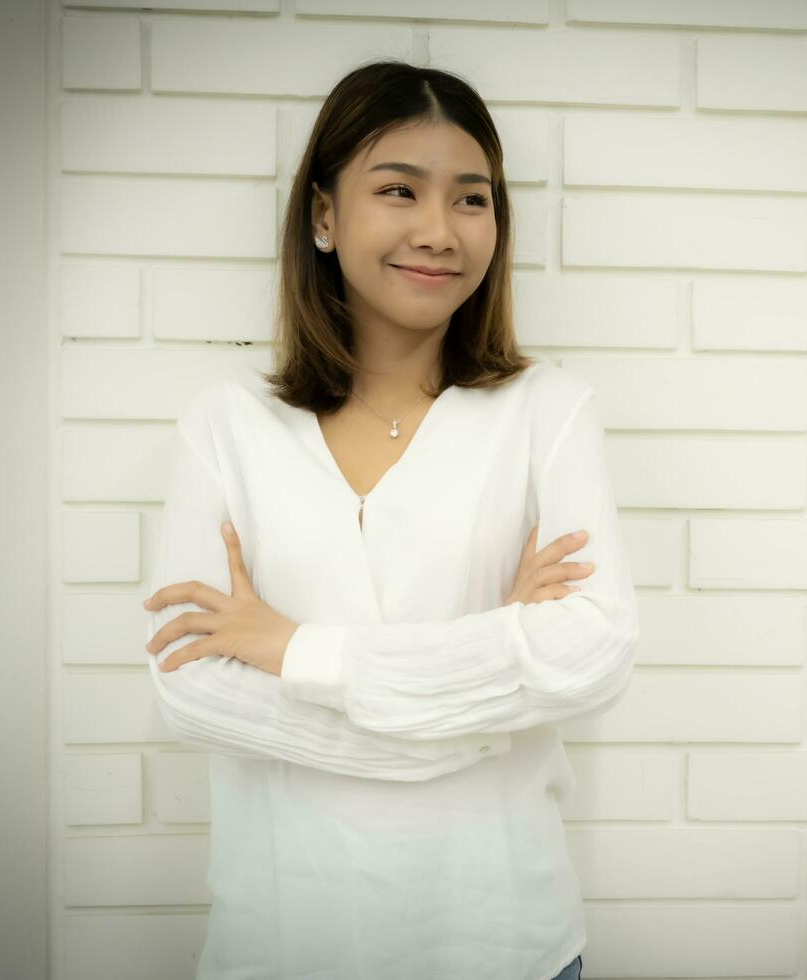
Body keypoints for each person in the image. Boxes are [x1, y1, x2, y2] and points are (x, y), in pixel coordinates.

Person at [141, 58, 633, 980]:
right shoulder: (228, 426)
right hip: (281, 942)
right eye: (398, 189)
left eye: (471, 199)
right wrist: (489, 687)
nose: (438, 231)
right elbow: (191, 690)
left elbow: (594, 654)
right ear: (323, 215)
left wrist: (293, 651)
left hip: (506, 940)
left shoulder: (547, 411)